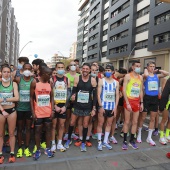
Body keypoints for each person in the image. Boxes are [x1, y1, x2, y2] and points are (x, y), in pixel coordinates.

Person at [64, 63, 97, 152]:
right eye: (84, 68)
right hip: (77, 105)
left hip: (88, 105)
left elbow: (95, 96)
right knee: (72, 122)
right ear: (81, 69)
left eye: (87, 69)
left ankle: (83, 142)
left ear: (89, 70)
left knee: (85, 124)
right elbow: (74, 91)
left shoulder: (93, 80)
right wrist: (73, 96)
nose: (85, 70)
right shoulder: (77, 78)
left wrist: (94, 108)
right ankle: (68, 139)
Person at [137, 61, 168, 146]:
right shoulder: (144, 76)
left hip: (155, 98)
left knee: (153, 118)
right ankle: (139, 134)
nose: (152, 68)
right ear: (147, 67)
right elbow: (146, 75)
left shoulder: (157, 76)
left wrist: (158, 71)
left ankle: (149, 137)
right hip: (147, 98)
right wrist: (147, 71)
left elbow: (166, 74)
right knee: (142, 117)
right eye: (150, 66)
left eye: (153, 66)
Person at [30, 66, 54, 160]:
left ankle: (48, 148)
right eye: (48, 74)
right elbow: (31, 98)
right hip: (38, 112)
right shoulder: (35, 82)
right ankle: (38, 150)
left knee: (48, 130)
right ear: (43, 74)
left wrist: (52, 110)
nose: (50, 76)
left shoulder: (50, 83)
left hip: (48, 112)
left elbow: (52, 97)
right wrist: (33, 112)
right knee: (37, 131)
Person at [97, 65, 119, 151]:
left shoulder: (116, 83)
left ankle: (105, 141)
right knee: (100, 124)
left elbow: (117, 95)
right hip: (103, 106)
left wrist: (115, 107)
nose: (107, 71)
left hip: (111, 106)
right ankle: (99, 141)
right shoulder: (101, 81)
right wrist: (100, 106)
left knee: (109, 124)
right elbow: (98, 95)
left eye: (109, 70)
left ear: (113, 72)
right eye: (106, 70)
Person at [122, 60, 143, 150]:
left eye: (139, 66)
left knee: (135, 122)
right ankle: (124, 141)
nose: (138, 67)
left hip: (137, 102)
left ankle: (132, 140)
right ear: (133, 67)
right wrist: (127, 102)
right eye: (137, 66)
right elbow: (123, 90)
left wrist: (141, 102)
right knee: (127, 121)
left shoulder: (140, 77)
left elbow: (141, 90)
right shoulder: (127, 76)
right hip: (129, 101)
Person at [0, 65, 19, 163]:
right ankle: (0, 155)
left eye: (8, 72)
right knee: (0, 134)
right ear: (1, 73)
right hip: (1, 111)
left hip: (11, 110)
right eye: (4, 72)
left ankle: (12, 153)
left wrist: (3, 99)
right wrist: (2, 110)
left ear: (11, 73)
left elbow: (16, 98)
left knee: (11, 133)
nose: (6, 74)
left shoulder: (14, 84)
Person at [51, 62, 71, 152]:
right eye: (58, 67)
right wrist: (54, 106)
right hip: (54, 105)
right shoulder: (52, 79)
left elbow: (69, 94)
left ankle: (59, 143)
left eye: (62, 67)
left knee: (62, 125)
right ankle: (53, 143)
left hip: (63, 105)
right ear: (55, 69)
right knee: (53, 125)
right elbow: (50, 94)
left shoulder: (67, 79)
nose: (60, 69)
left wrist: (65, 107)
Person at [15, 63, 34, 158]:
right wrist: (15, 102)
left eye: (29, 69)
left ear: (31, 71)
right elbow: (12, 90)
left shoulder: (33, 81)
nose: (27, 70)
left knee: (28, 129)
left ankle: (26, 147)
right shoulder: (18, 80)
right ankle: (19, 147)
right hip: (19, 109)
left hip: (29, 109)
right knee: (19, 128)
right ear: (22, 70)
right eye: (25, 69)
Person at [64, 61, 79, 142]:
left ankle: (73, 132)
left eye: (74, 65)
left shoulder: (79, 76)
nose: (73, 66)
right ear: (69, 67)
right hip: (67, 99)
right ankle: (66, 132)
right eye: (71, 65)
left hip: (77, 99)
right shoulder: (65, 76)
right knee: (68, 117)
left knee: (75, 117)